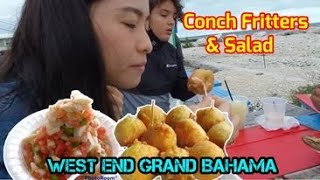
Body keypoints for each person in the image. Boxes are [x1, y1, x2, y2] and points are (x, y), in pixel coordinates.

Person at [0, 0, 152, 178]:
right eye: (130, 23)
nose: (147, 44)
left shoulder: (98, 101)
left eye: (147, 27)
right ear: (67, 23)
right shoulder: (12, 130)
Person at [122, 0, 214, 115]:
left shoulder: (172, 51)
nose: (171, 22)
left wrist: (194, 85)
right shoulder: (125, 48)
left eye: (174, 17)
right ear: (145, 16)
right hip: (125, 124)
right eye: (164, 15)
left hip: (162, 123)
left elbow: (179, 92)